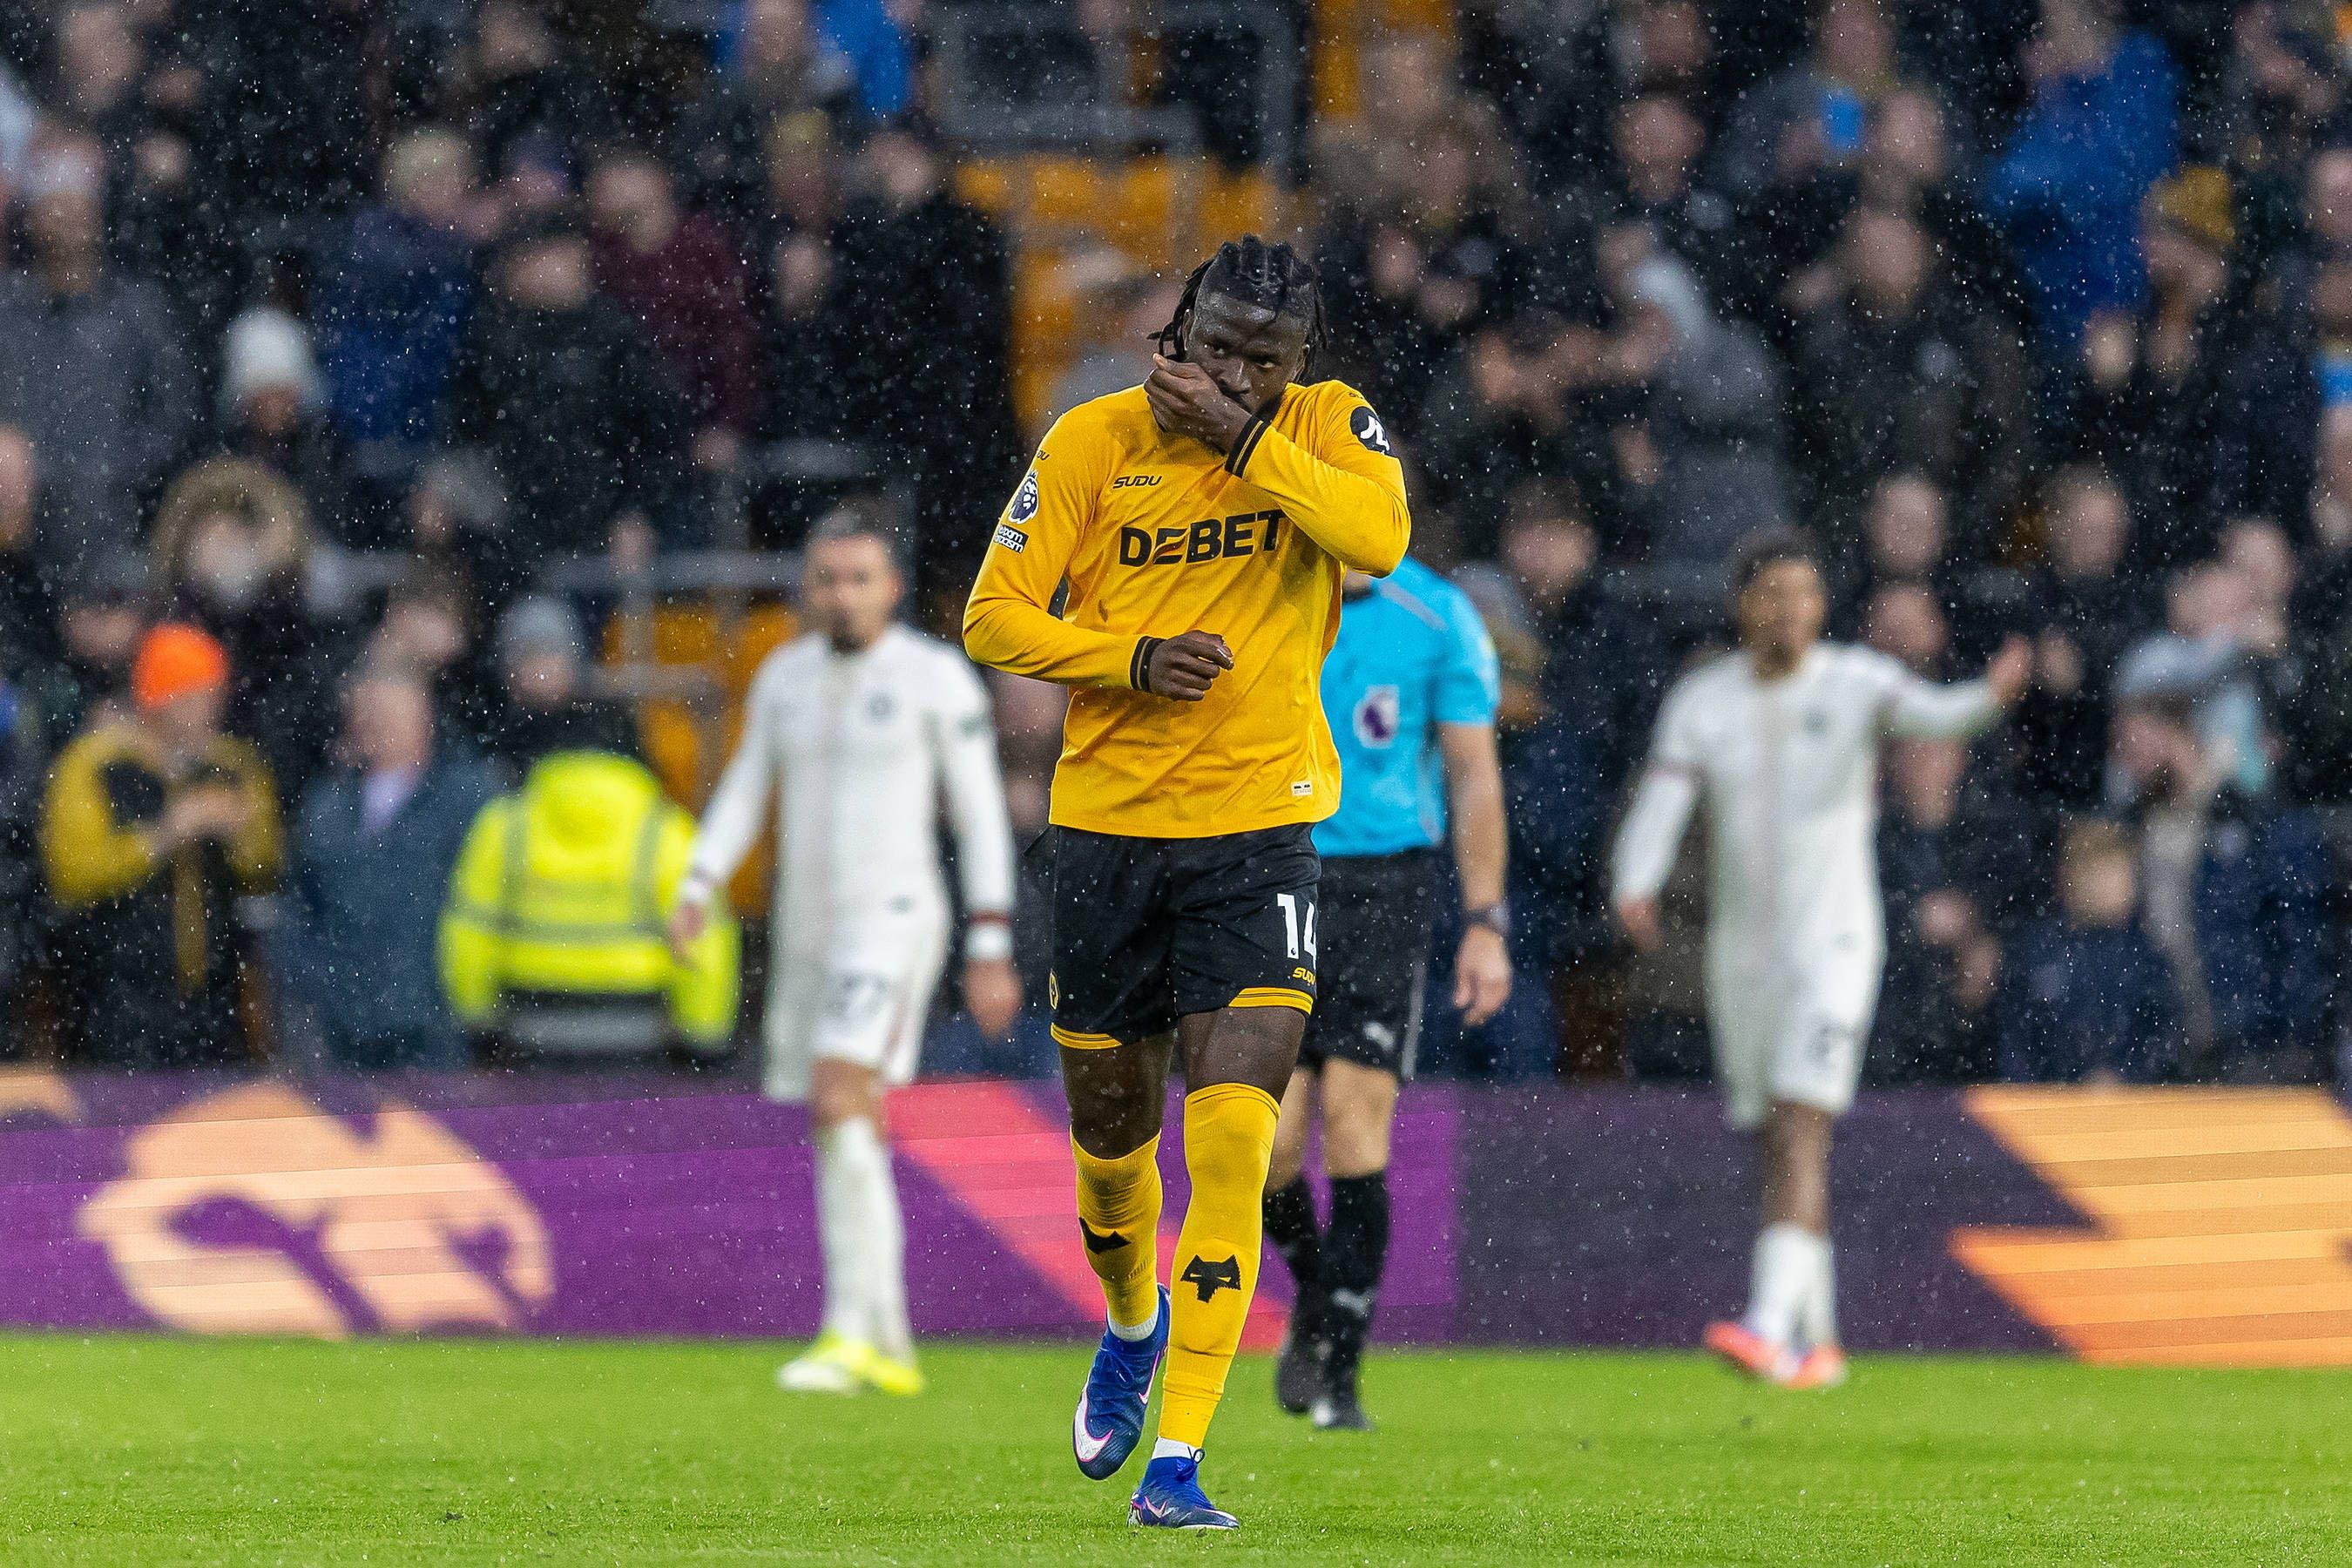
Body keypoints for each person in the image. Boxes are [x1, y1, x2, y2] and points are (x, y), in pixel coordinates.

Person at [963, 236, 1409, 1530]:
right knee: (1112, 1144)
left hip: (1260, 832)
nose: (1237, 374)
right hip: (1107, 833)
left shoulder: (1329, 430)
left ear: (1300, 364)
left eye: (1265, 362)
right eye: (1218, 349)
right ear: (1179, 327)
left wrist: (1246, 438)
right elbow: (995, 617)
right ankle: (1129, 1320)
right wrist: (1129, 655)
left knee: (1232, 1136)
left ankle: (1180, 1464)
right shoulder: (1093, 439)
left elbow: (1379, 534)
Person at [1610, 529, 2028, 1389]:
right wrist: (1634, 882)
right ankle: (1820, 1342)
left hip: (1833, 944)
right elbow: (1661, 800)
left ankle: (1766, 1327)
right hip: (1743, 953)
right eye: (1773, 594)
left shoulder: (1856, 682)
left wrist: (1990, 692)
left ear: (1822, 607)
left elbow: (1940, 714)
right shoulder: (1703, 700)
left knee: (1802, 1124)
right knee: (1779, 1139)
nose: (1790, 610)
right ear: (1743, 606)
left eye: (1804, 593)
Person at [668, 510, 1021, 1397]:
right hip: (809, 922)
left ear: (893, 587)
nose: (842, 594)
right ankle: (883, 1338)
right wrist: (700, 880)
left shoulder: (934, 677)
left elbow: (978, 812)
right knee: (841, 1118)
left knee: (838, 1094)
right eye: (827, 578)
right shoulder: (785, 675)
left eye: (860, 577)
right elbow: (749, 781)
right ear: (807, 587)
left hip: (894, 915)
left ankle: (850, 1331)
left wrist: (990, 942)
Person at [1261, 553, 1510, 1431]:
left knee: (1357, 1129)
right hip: (1268, 876)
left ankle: (1341, 1380)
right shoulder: (1262, 582)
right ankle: (1320, 1296)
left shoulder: (1439, 615)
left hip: (1383, 892)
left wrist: (1487, 919)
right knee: (1266, 1152)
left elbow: (1474, 773)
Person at [40, 623, 283, 1066]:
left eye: (214, 694)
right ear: (159, 700)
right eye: (196, 695)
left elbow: (265, 868)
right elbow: (72, 873)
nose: (211, 709)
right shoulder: (95, 764)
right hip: (113, 995)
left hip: (213, 1001)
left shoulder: (233, 765)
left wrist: (239, 832)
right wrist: (167, 833)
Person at [440, 749, 738, 1060]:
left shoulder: (506, 823)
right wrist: (703, 1037)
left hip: (529, 1033)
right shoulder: (668, 831)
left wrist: (478, 1021)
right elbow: (703, 941)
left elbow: (470, 933)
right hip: (639, 1037)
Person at [285, 662, 503, 1069]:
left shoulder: (469, 796)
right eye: (365, 712)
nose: (376, 725)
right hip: (345, 1030)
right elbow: (302, 912)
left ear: (425, 717)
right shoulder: (327, 804)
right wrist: (311, 1002)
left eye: (390, 713)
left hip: (437, 1028)